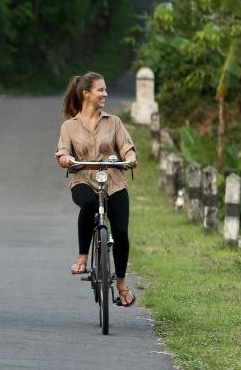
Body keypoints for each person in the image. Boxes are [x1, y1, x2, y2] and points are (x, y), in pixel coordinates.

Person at [55, 72, 138, 307]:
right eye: (100, 90)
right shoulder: (69, 127)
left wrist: (130, 157)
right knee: (89, 202)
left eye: (105, 89)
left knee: (121, 231)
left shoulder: (114, 122)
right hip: (83, 179)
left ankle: (121, 285)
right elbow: (62, 151)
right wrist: (65, 159)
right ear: (86, 94)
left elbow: (127, 148)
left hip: (113, 181)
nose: (105, 94)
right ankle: (82, 256)